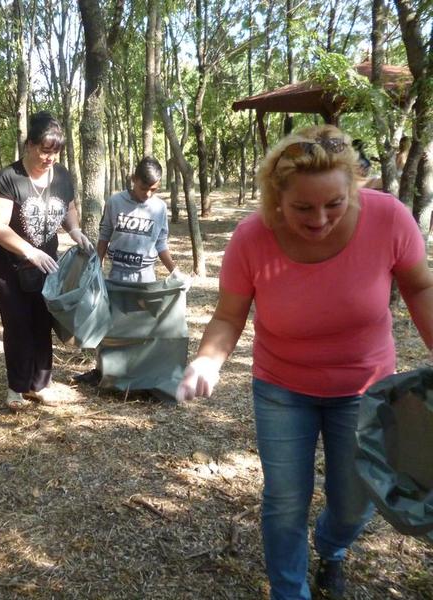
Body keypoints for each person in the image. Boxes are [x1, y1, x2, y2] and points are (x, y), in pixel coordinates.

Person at [176, 125, 433, 600]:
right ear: (276, 199)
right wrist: (208, 361)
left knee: (355, 503)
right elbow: (229, 316)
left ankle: (332, 546)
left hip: (365, 388)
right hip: (282, 388)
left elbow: (420, 287)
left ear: (354, 186)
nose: (320, 219)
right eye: (302, 208)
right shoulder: (252, 238)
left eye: (334, 204)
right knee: (285, 500)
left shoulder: (389, 218)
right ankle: (289, 591)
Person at [0, 111, 92, 412]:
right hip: (8, 265)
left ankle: (40, 385)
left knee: (43, 321)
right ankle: (16, 388)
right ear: (29, 145)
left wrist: (74, 230)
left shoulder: (62, 176)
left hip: (46, 263)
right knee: (18, 323)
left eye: (55, 152)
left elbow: (68, 207)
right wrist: (28, 251)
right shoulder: (10, 177)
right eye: (45, 151)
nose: (50, 158)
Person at [73, 156, 177, 387]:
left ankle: (138, 377)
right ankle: (102, 372)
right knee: (110, 325)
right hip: (117, 276)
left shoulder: (159, 208)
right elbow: (104, 235)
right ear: (133, 179)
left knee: (142, 327)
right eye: (143, 187)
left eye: (153, 189)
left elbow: (161, 242)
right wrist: (96, 267)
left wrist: (175, 271)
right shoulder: (115, 202)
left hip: (145, 277)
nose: (147, 194)